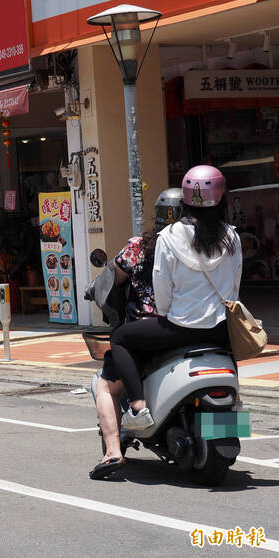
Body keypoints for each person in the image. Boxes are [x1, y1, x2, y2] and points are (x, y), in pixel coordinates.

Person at [112, 165, 241, 434]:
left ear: (184, 199)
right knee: (229, 351)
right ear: (221, 197)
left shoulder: (169, 237)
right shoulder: (232, 236)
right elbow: (235, 286)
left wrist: (175, 313)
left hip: (180, 329)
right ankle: (234, 410)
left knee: (121, 338)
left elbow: (162, 295)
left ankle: (138, 408)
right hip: (220, 331)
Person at [89, 188, 184, 479]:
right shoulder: (202, 246)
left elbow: (112, 278)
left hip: (147, 332)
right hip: (197, 328)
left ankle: (113, 452)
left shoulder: (139, 247)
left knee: (106, 385)